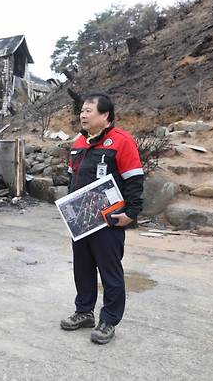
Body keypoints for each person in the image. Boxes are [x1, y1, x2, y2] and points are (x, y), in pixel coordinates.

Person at [61, 92, 144, 344]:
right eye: (82, 111)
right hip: (82, 221)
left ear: (105, 116)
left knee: (110, 272)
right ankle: (84, 311)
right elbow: (70, 178)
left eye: (88, 111)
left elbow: (135, 180)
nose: (83, 115)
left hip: (108, 221)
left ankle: (109, 320)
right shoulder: (78, 142)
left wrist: (131, 214)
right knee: (82, 268)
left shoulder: (121, 141)